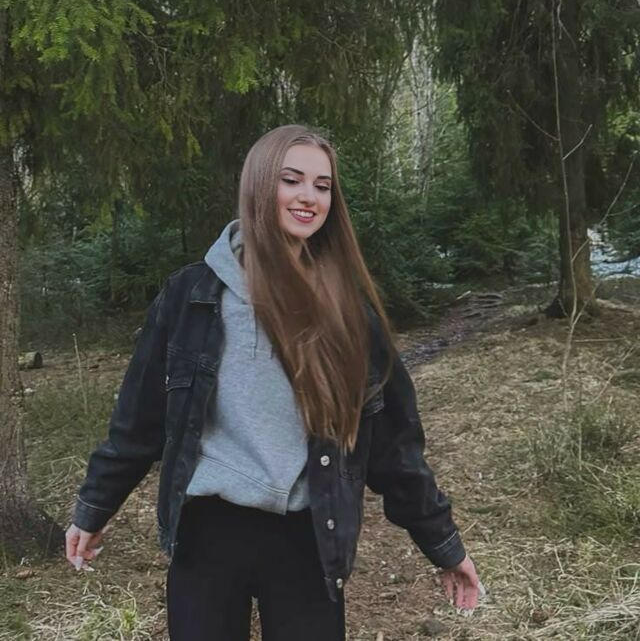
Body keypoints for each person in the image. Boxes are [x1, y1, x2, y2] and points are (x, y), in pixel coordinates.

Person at [66, 124, 480, 641]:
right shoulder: (191, 296)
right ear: (260, 185)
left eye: (322, 186)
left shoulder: (349, 314)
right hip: (208, 534)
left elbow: (395, 450)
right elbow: (138, 421)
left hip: (308, 538)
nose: (309, 197)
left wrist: (444, 546)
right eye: (292, 180)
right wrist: (95, 508)